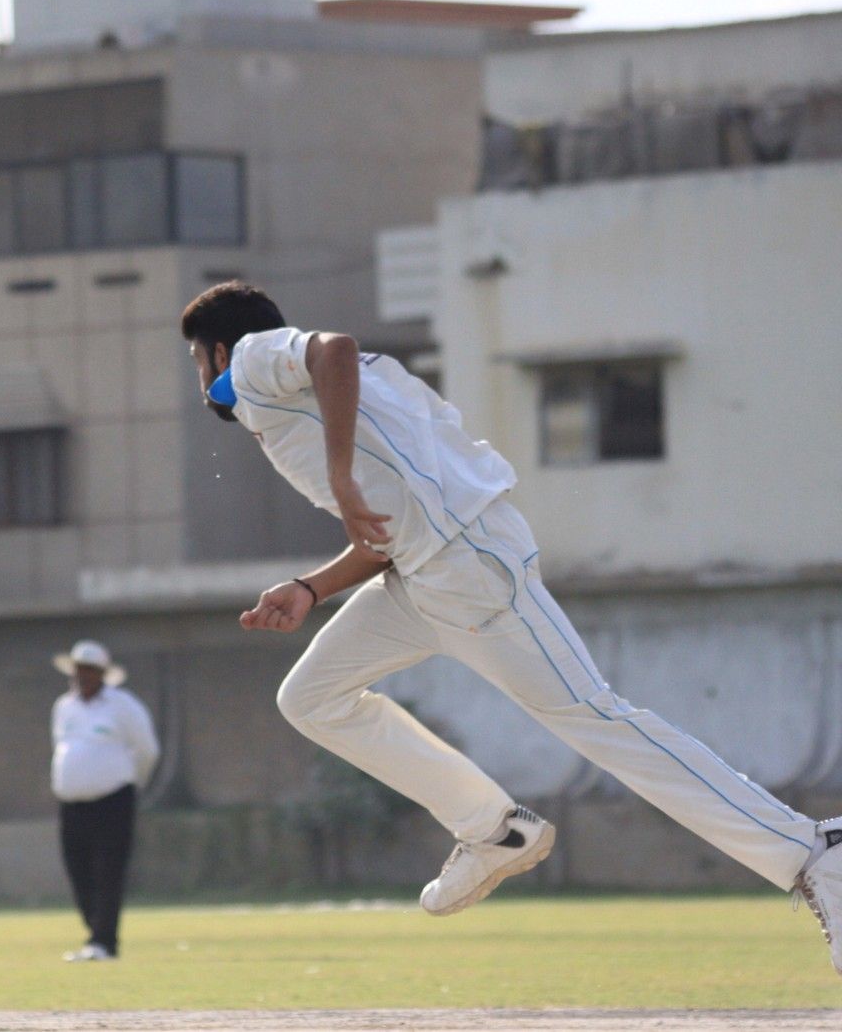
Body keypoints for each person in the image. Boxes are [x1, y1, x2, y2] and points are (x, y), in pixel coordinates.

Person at [179, 280, 842, 973]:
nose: (201, 381)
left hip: (468, 565)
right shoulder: (334, 395)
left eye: (197, 362)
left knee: (600, 721)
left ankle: (812, 851)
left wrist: (341, 480)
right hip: (423, 576)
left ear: (218, 351)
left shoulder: (252, 359)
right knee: (311, 697)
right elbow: (388, 528)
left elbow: (332, 348)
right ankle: (494, 831)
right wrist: (311, 588)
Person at [50, 638, 160, 962]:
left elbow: (147, 750)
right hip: (72, 803)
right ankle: (96, 935)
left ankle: (103, 942)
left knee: (108, 871)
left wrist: (128, 781)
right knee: (78, 871)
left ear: (102, 673)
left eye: (90, 670)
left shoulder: (123, 705)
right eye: (78, 669)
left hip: (113, 800)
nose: (83, 676)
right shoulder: (63, 706)